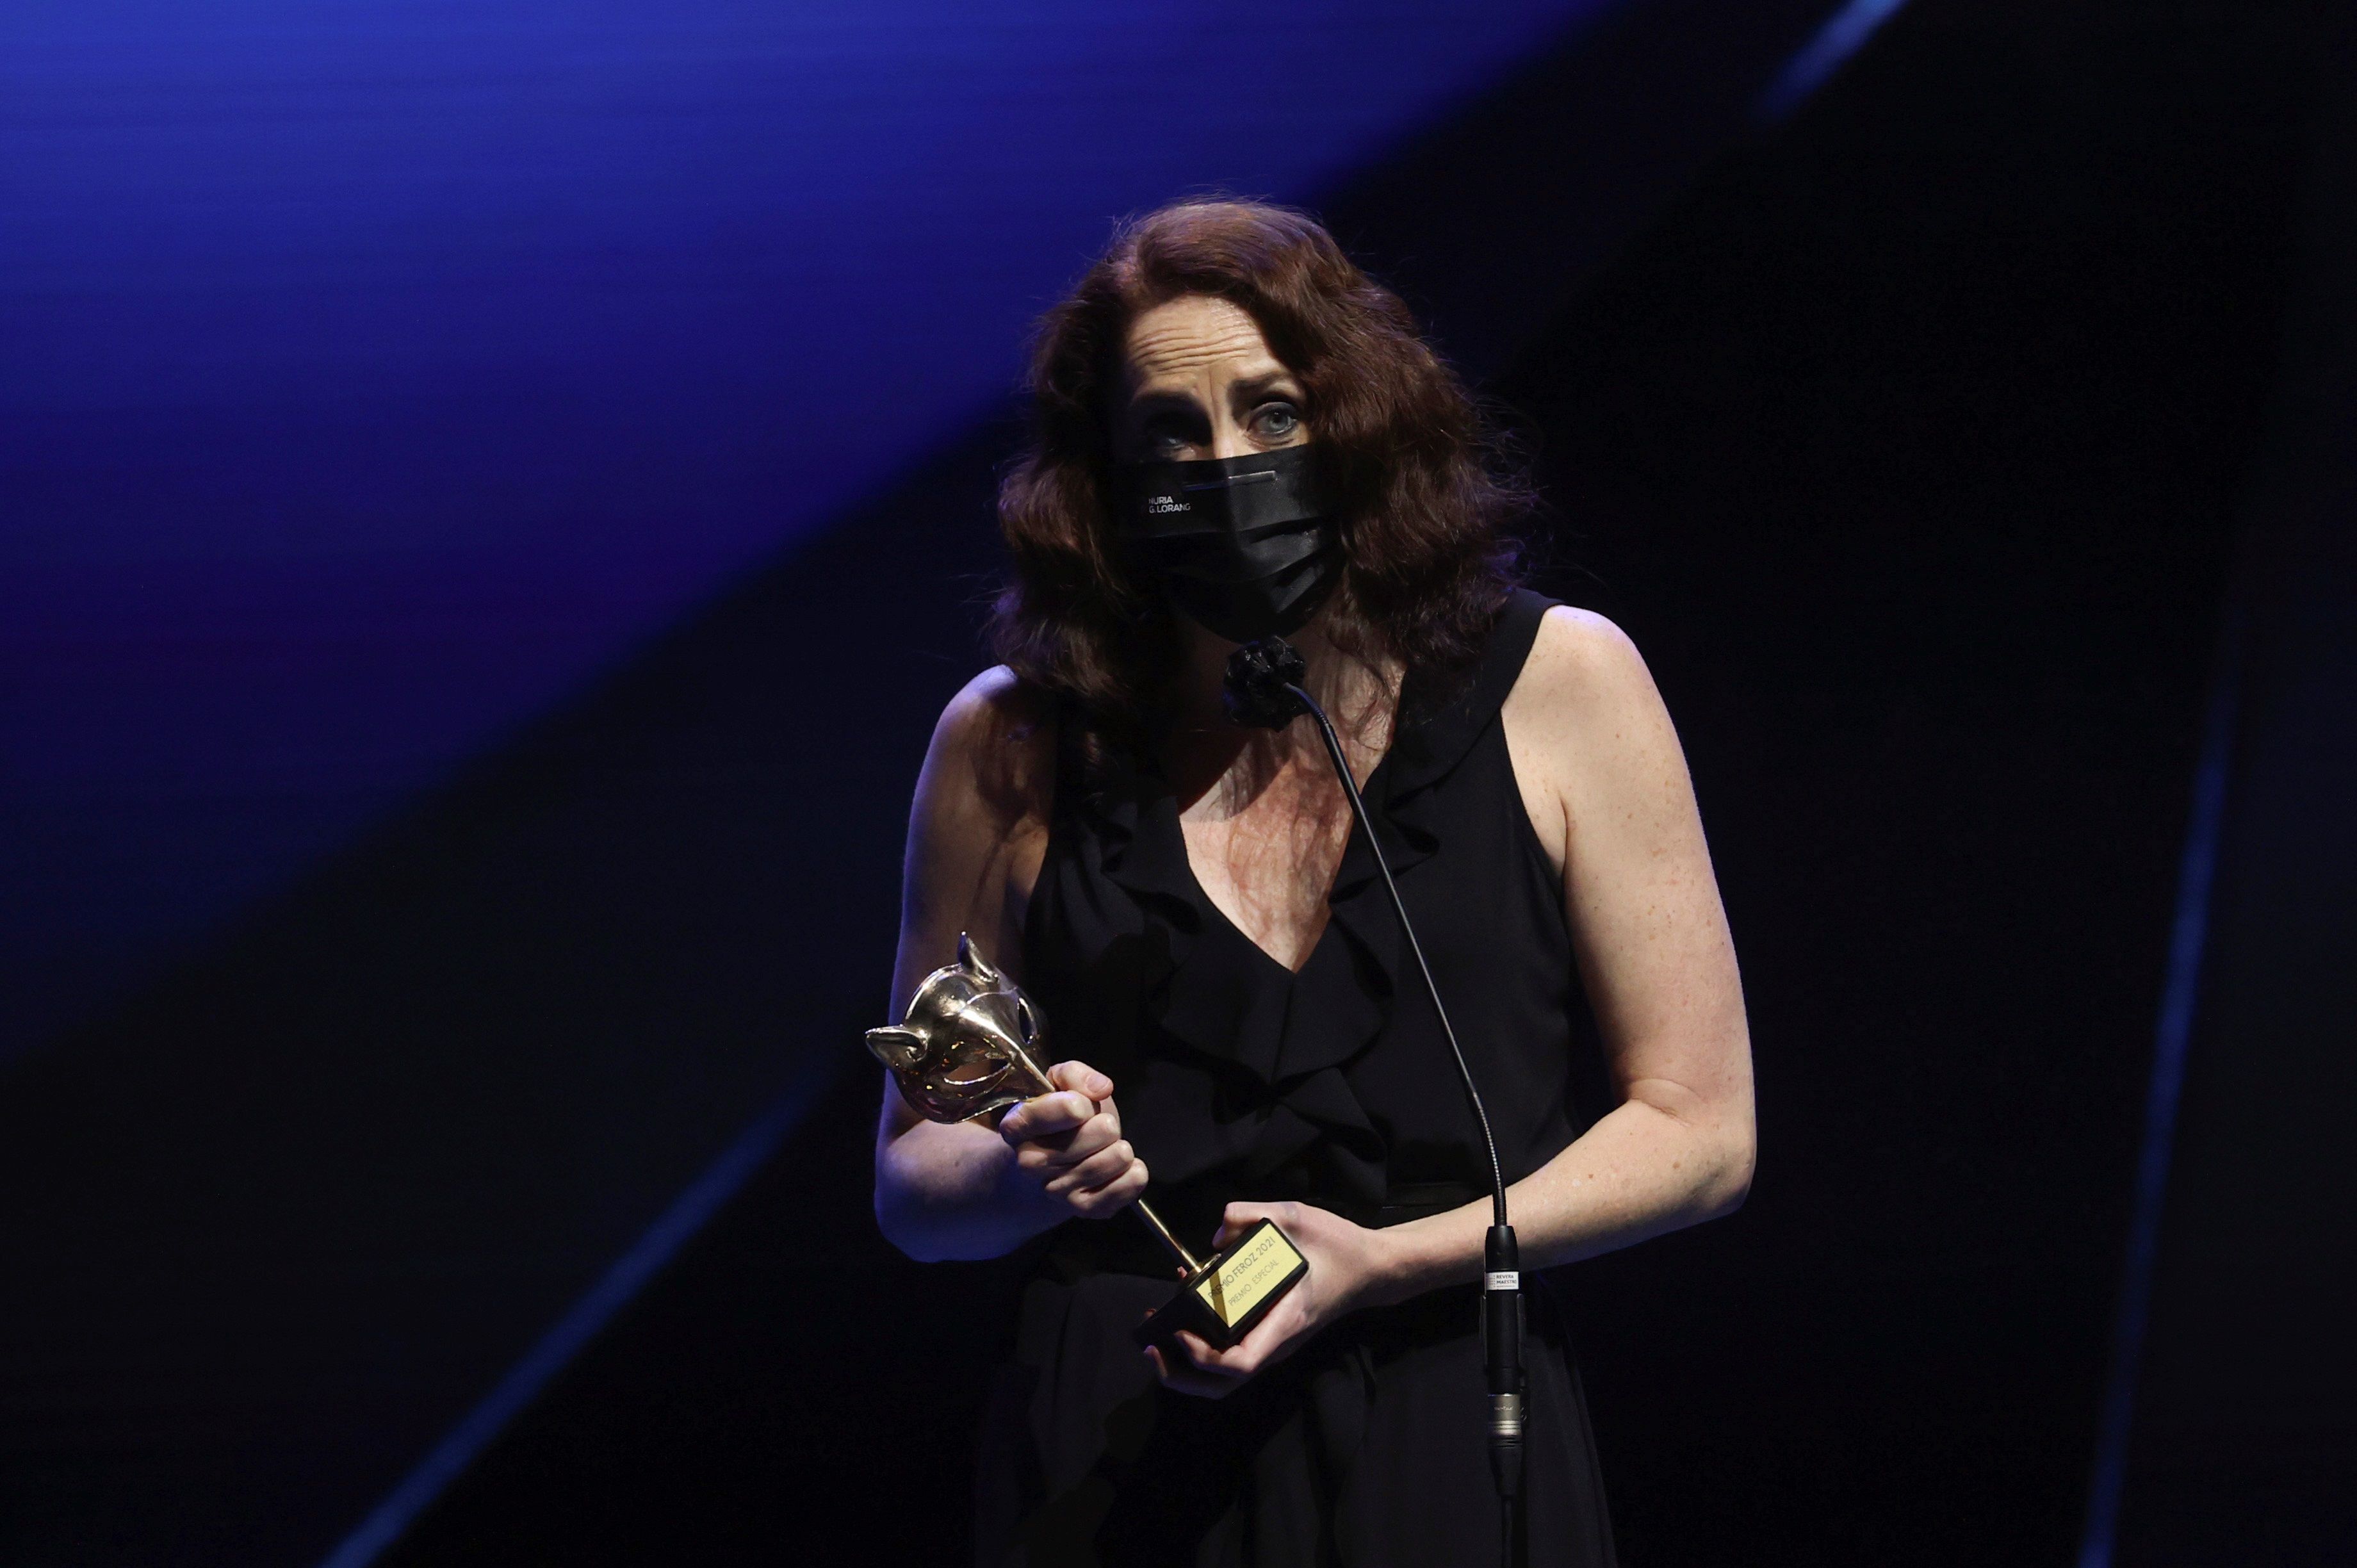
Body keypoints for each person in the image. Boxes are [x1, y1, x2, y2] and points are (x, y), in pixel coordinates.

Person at [873, 199, 1754, 1567]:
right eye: (1172, 431)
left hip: (1450, 1426)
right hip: (1114, 1462)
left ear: (1352, 422)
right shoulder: (1010, 743)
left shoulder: (1564, 683)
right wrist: (1025, 1169)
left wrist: (1389, 1258)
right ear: (1102, 474)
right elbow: (917, 1186)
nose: (1226, 463)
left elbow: (1701, 1133)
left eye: (1272, 414)